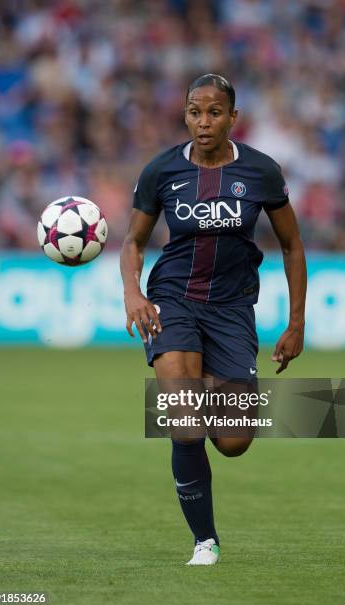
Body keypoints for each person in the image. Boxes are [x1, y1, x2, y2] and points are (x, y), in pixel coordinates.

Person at [120, 74, 307, 565]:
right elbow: (133, 242)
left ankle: (202, 380)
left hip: (232, 308)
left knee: (233, 440)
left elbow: (291, 245)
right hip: (173, 299)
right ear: (184, 114)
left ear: (232, 117)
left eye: (214, 112)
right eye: (194, 112)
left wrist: (296, 322)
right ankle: (205, 541)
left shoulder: (261, 172)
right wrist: (132, 293)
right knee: (184, 421)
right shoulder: (161, 171)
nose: (204, 122)